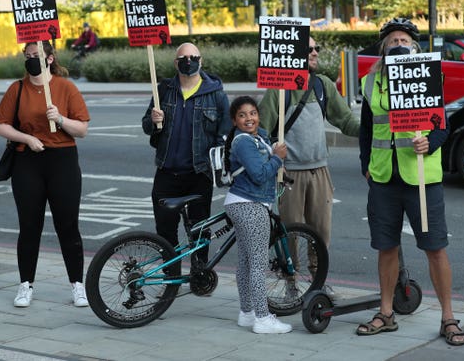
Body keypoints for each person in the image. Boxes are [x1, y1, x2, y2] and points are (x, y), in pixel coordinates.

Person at [356, 17, 464, 346]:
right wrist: (365, 164)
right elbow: (366, 128)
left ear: (414, 48)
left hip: (421, 178)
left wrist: (430, 143)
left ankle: (448, 317)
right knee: (386, 247)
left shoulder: (427, 79)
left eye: (404, 40)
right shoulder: (370, 82)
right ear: (383, 49)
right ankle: (386, 312)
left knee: (435, 249)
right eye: (392, 42)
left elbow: (442, 127)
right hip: (383, 177)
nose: (398, 45)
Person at [258, 36, 360, 297]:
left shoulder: (322, 85)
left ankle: (318, 280)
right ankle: (291, 281)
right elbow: (260, 131)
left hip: (319, 171)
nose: (314, 52)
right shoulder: (279, 90)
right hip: (288, 172)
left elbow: (346, 120)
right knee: (289, 231)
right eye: (308, 49)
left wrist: (373, 129)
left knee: (320, 232)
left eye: (317, 48)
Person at [0, 40, 91, 308]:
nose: (31, 60)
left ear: (49, 58)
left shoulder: (66, 87)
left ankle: (78, 284)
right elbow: (0, 125)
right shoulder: (18, 88)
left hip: (63, 160)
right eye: (27, 56)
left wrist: (60, 119)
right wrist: (26, 137)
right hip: (29, 160)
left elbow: (82, 129)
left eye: (36, 55)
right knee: (29, 225)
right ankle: (25, 284)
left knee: (67, 224)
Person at [142, 42, 231, 273]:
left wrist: (220, 161)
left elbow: (226, 133)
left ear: (201, 61)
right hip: (166, 172)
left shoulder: (216, 95)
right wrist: (153, 120)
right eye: (183, 57)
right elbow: (146, 126)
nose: (188, 61)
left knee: (200, 229)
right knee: (165, 230)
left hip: (198, 173)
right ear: (176, 62)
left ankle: (199, 273)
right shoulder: (163, 90)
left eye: (193, 57)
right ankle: (171, 275)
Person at [223, 96, 291, 334]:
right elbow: (260, 175)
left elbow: (261, 134)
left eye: (253, 113)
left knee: (245, 262)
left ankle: (247, 313)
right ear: (234, 120)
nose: (249, 118)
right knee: (258, 264)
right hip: (250, 204)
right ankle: (262, 318)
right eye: (242, 115)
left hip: (240, 203)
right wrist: (277, 158)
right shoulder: (243, 143)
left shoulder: (255, 137)